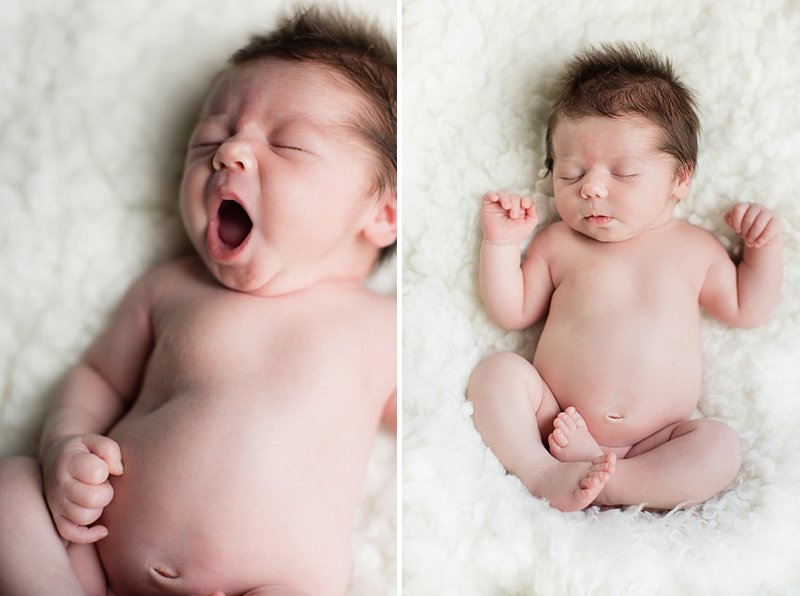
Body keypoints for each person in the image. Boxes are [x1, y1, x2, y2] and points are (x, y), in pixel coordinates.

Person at [0, 6, 396, 596]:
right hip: (95, 563)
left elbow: (433, 421)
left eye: (287, 145)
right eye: (209, 137)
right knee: (11, 488)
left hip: (270, 584)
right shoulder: (172, 288)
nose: (229, 152)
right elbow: (99, 376)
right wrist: (65, 442)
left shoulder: (383, 328)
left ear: (383, 213)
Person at [468, 43, 782, 513]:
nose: (592, 187)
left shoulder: (696, 249)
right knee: (497, 374)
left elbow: (747, 309)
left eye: (623, 172)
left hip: (657, 442)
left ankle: (618, 483)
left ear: (681, 179)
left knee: (720, 447)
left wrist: (763, 249)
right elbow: (510, 311)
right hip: (554, 419)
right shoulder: (559, 244)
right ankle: (542, 473)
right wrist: (500, 243)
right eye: (571, 174)